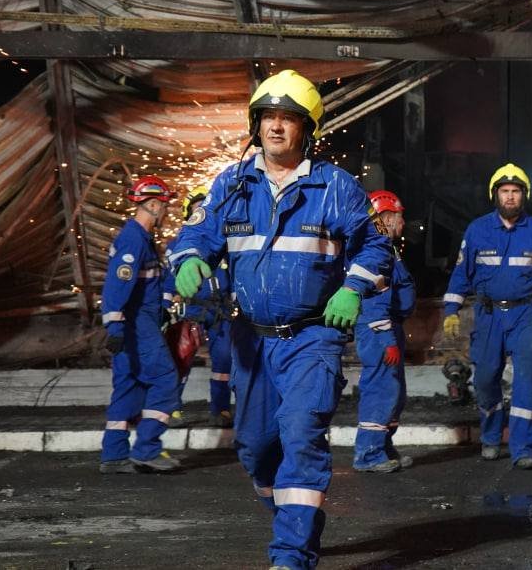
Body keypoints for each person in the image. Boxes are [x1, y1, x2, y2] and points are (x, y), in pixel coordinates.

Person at [168, 69, 393, 570]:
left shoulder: (335, 187)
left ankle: (291, 554)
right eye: (267, 116)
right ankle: (294, 517)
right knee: (255, 448)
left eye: (287, 118)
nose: (275, 126)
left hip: (312, 338)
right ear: (256, 125)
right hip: (250, 340)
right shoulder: (232, 184)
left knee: (301, 433)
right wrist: (188, 259)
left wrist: (352, 288)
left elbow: (376, 247)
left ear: (306, 129)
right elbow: (195, 234)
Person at [441, 163, 532, 469]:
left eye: (515, 191)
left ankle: (523, 449)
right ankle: (490, 436)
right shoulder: (477, 230)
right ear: (495, 195)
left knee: (527, 381)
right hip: (487, 316)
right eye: (505, 191)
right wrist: (451, 310)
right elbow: (461, 273)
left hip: (525, 314)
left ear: (525, 195)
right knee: (485, 379)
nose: (510, 197)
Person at [99, 175, 182, 474]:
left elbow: (150, 282)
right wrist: (115, 326)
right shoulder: (134, 239)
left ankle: (114, 455)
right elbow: (117, 286)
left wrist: (164, 306)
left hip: (134, 323)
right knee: (165, 379)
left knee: (129, 385)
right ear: (152, 205)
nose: (167, 211)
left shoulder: (142, 239)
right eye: (165, 205)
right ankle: (147, 450)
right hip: (136, 324)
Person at [353, 190, 417, 473]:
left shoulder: (388, 248)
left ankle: (383, 447)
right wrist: (386, 338)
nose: (403, 223)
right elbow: (374, 300)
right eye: (401, 217)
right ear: (387, 218)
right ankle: (368, 454)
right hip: (379, 331)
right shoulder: (375, 251)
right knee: (380, 388)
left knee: (395, 392)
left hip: (390, 328)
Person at [164, 185, 233, 428]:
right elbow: (168, 281)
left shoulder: (224, 246)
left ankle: (220, 409)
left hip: (220, 312)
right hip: (190, 310)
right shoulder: (178, 247)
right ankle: (170, 409)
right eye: (197, 208)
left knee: (223, 362)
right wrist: (166, 307)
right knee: (181, 360)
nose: (202, 212)